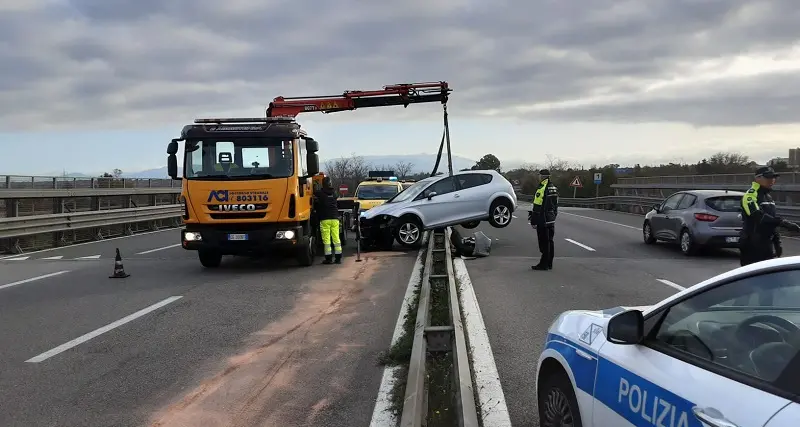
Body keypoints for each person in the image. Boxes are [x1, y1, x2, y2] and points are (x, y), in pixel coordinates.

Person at [739, 166, 800, 266]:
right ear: (758, 178)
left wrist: (777, 241)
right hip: (752, 244)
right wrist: (783, 223)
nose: (771, 180)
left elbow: (771, 221)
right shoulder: (750, 195)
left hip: (767, 243)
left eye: (773, 178)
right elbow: (758, 217)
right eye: (768, 177)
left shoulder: (769, 197)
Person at [530, 169, 559, 270]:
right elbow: (555, 205)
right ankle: (549, 263)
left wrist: (533, 220)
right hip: (551, 218)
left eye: (539, 175)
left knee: (544, 242)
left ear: (542, 176)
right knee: (550, 241)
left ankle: (544, 264)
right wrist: (554, 215)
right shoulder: (553, 187)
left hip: (543, 218)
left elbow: (538, 205)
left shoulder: (542, 187)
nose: (538, 177)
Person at [314, 176, 343, 264]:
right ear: (330, 183)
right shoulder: (334, 193)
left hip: (325, 219)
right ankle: (338, 259)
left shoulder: (320, 193)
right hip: (335, 218)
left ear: (323, 184)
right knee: (336, 238)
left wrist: (315, 184)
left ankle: (328, 259)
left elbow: (314, 193)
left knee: (326, 240)